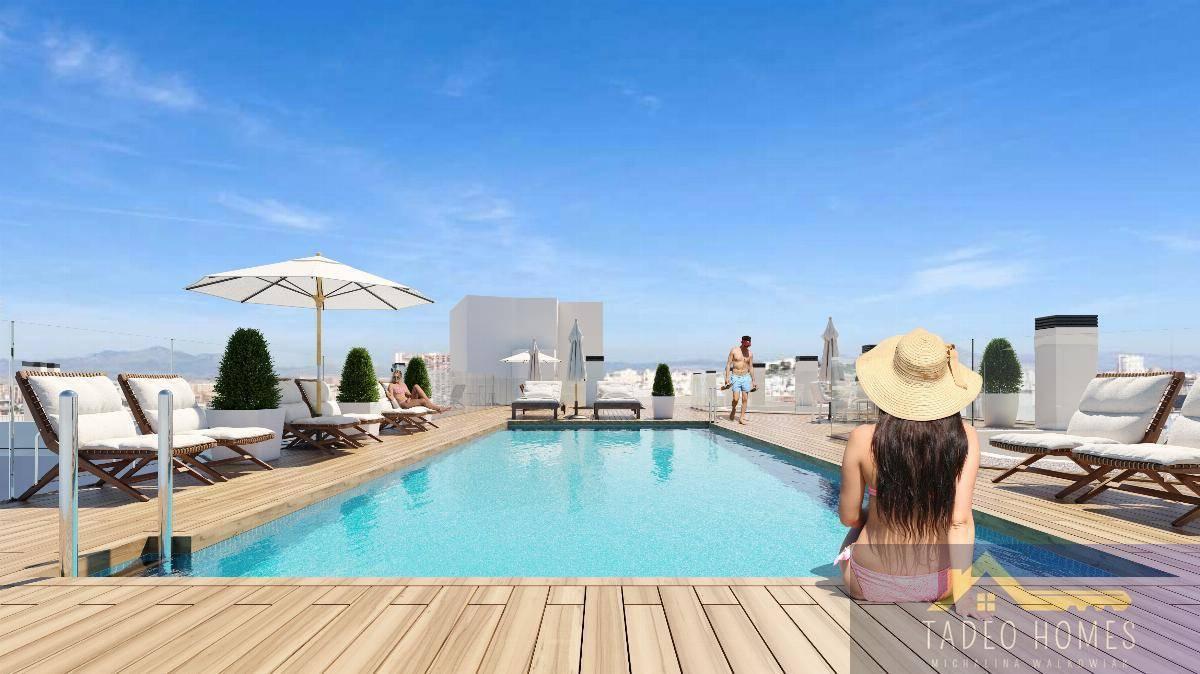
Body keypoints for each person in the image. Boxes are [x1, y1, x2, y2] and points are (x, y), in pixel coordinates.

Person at [835, 328, 982, 612]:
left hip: (866, 582)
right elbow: (959, 522)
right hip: (938, 584)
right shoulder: (966, 438)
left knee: (864, 520)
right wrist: (962, 594)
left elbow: (848, 517)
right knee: (960, 514)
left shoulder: (862, 438)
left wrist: (875, 512)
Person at [723, 335, 756, 424]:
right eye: (745, 345)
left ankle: (741, 417)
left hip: (746, 377)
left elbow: (751, 367)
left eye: (748, 345)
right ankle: (733, 409)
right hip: (735, 376)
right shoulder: (734, 350)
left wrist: (753, 380)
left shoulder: (750, 354)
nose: (747, 347)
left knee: (745, 399)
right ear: (742, 342)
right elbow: (728, 364)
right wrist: (727, 377)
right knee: (736, 399)